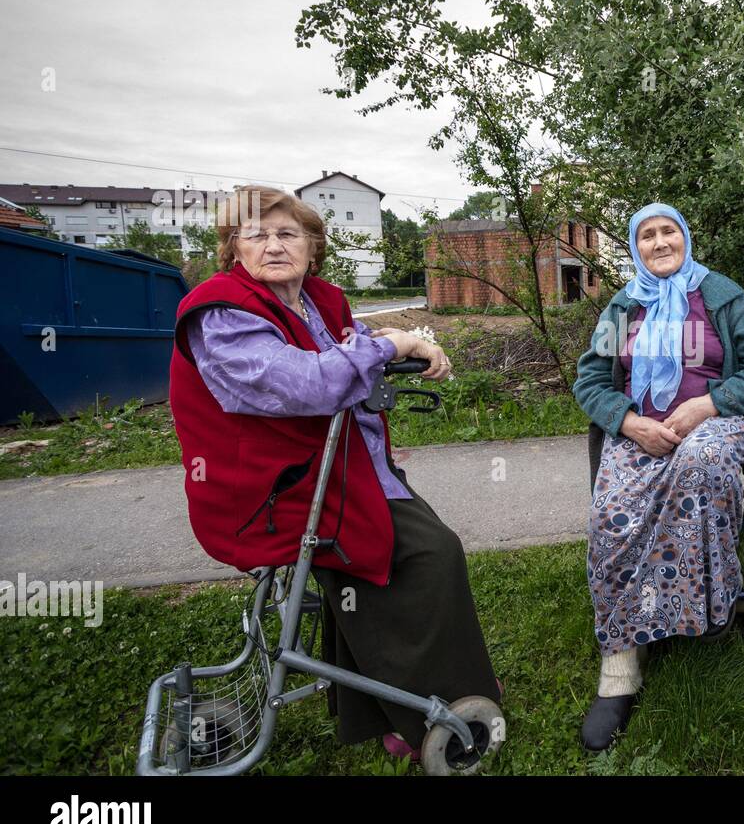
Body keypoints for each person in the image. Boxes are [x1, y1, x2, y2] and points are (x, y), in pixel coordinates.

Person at [169, 184, 500, 760]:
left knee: (404, 557)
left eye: (288, 233)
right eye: (257, 235)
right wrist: (392, 344)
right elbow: (308, 383)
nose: (274, 246)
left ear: (312, 247)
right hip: (272, 494)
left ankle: (398, 714)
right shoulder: (221, 312)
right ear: (234, 250)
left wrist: (408, 343)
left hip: (340, 472)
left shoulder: (317, 301)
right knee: (426, 556)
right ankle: (432, 715)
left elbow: (347, 346)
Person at [572, 202, 744, 750]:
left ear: (685, 238)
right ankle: (621, 663)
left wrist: (708, 405)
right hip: (642, 429)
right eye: (647, 235)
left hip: (712, 424)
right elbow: (590, 380)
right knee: (613, 515)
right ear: (635, 246)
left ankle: (706, 611)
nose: (660, 242)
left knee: (698, 467)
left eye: (669, 231)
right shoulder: (622, 308)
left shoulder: (722, 296)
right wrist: (630, 422)